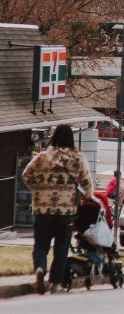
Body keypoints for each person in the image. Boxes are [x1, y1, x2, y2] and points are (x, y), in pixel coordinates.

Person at [21, 124, 92, 294]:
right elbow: (87, 183)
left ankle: (40, 268)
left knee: (40, 246)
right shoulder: (77, 158)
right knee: (61, 248)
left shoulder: (42, 156)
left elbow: (26, 175)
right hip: (65, 212)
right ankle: (54, 283)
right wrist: (86, 196)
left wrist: (37, 190)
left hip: (42, 209)